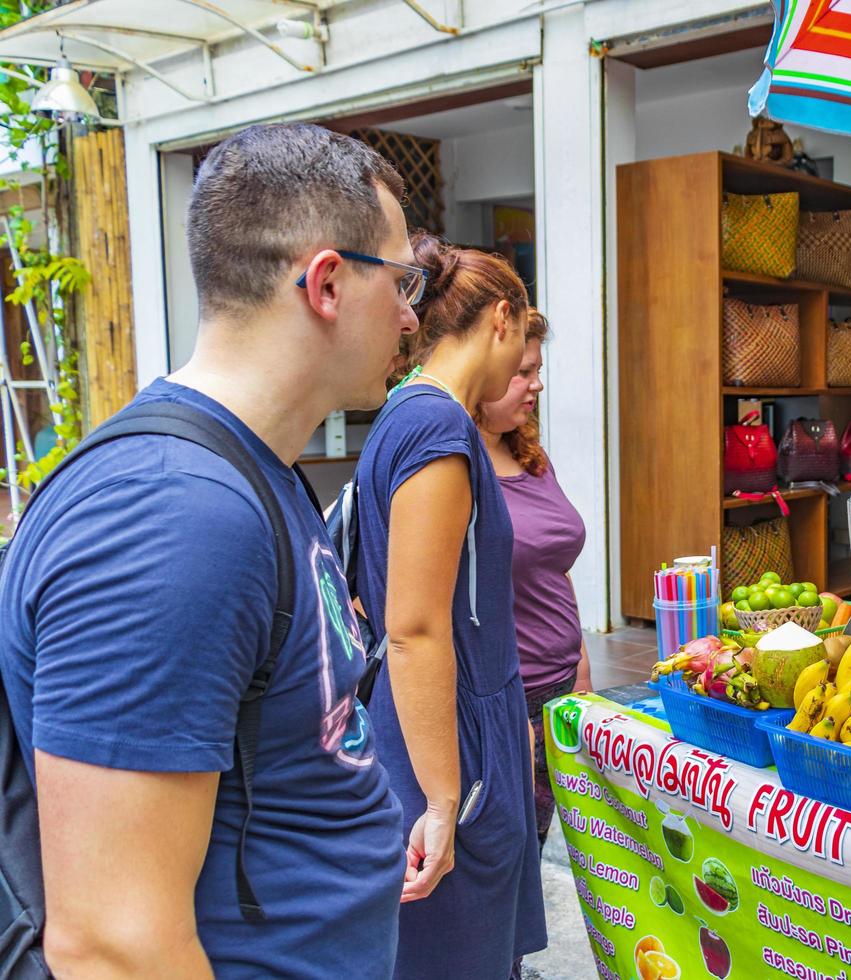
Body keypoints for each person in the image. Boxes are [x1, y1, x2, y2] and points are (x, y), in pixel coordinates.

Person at [0, 123, 417, 976]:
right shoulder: (174, 516)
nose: (412, 314)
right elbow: (115, 947)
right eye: (403, 279)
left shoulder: (244, 473)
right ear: (328, 282)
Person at [354, 233, 547, 978]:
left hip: (459, 722)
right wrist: (443, 798)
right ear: (503, 317)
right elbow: (413, 625)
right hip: (447, 737)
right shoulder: (436, 425)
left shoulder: (412, 415)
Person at [475, 308, 590, 847]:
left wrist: (581, 677)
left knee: (536, 849)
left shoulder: (529, 454)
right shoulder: (451, 465)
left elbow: (552, 572)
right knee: (504, 858)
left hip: (560, 690)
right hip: (505, 706)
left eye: (537, 368)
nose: (536, 384)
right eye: (523, 371)